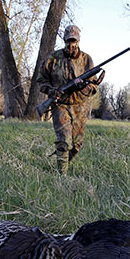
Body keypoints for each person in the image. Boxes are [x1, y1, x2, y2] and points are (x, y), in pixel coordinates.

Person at [35, 25, 98, 174]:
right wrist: (51, 91)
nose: (71, 44)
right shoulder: (53, 59)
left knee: (77, 144)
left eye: (74, 41)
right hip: (60, 105)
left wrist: (84, 87)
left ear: (78, 41)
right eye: (69, 40)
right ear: (64, 40)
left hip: (79, 106)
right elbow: (40, 81)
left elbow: (94, 86)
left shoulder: (86, 59)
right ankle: (61, 175)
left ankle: (63, 162)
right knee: (63, 141)